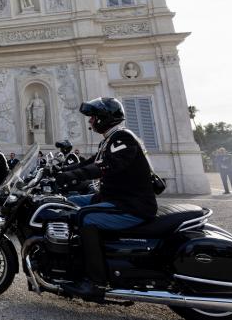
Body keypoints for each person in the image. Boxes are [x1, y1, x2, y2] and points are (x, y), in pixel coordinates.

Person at [54, 97, 158, 299]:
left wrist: (72, 176)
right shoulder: (110, 140)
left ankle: (96, 283)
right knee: (67, 203)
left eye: (93, 117)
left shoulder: (122, 139)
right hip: (114, 197)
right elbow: (90, 162)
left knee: (86, 217)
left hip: (131, 205)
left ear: (104, 117)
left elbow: (107, 165)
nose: (90, 121)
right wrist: (61, 170)